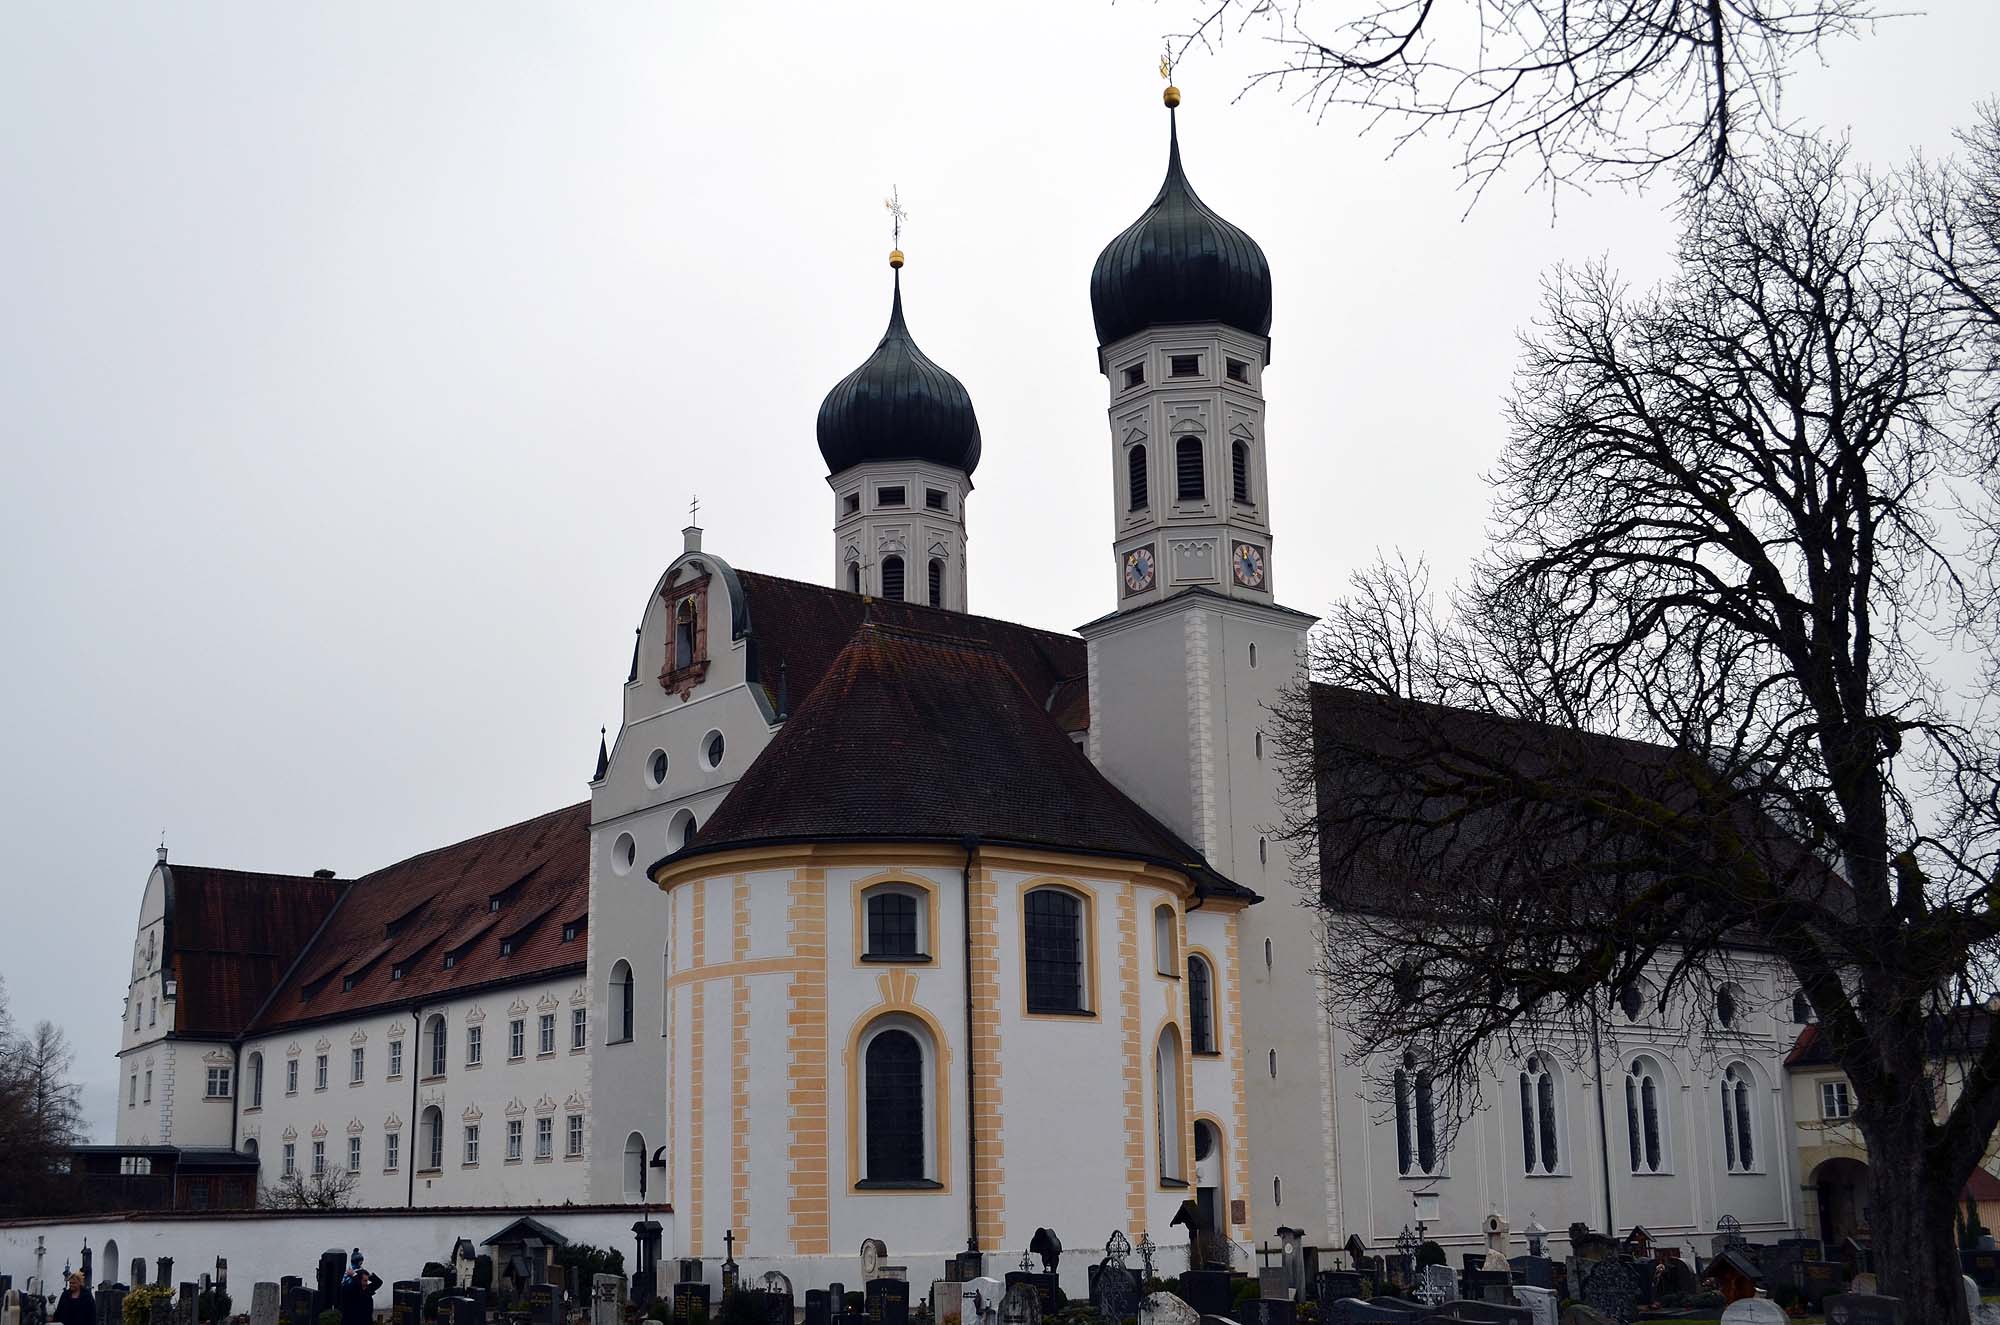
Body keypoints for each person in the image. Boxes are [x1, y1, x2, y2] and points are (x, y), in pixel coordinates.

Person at [337, 1250, 381, 1325]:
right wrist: (354, 1275)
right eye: (365, 1281)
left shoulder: (367, 1290)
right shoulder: (350, 1289)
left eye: (367, 1281)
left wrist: (369, 1275)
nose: (366, 1283)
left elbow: (378, 1282)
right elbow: (356, 1286)